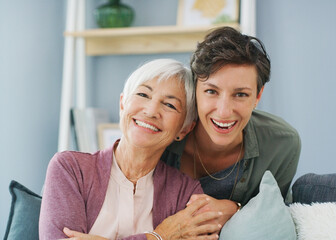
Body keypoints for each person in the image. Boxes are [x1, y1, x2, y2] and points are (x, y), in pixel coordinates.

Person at [39, 59, 223, 240]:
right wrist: (160, 236)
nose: (151, 111)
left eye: (169, 105)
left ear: (184, 129)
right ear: (122, 104)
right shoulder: (70, 168)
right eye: (143, 95)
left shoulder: (186, 193)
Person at [161, 27, 301, 225]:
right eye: (211, 91)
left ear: (257, 96)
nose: (224, 111)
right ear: (195, 90)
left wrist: (235, 208)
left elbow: (276, 220)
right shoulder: (162, 135)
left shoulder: (282, 144)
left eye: (241, 94)